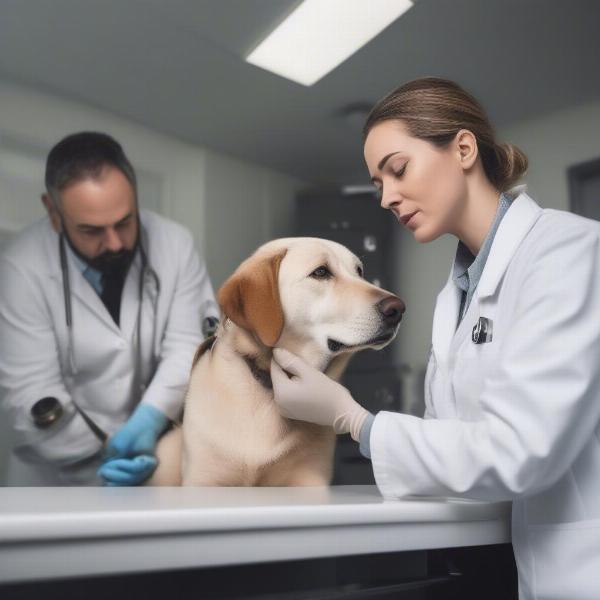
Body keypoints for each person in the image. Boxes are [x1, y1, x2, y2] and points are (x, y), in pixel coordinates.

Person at [270, 78, 600, 600]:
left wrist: (356, 422)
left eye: (397, 170)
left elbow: (521, 450)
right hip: (493, 561)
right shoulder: (458, 292)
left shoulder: (569, 252)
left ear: (464, 149)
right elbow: (450, 445)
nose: (388, 197)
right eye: (378, 183)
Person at [0, 132, 219, 486]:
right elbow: (34, 392)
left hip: (155, 460)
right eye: (91, 231)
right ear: (53, 213)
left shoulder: (174, 244)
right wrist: (112, 451)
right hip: (55, 475)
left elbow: (188, 349)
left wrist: (149, 419)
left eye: (125, 222)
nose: (115, 243)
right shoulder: (20, 268)